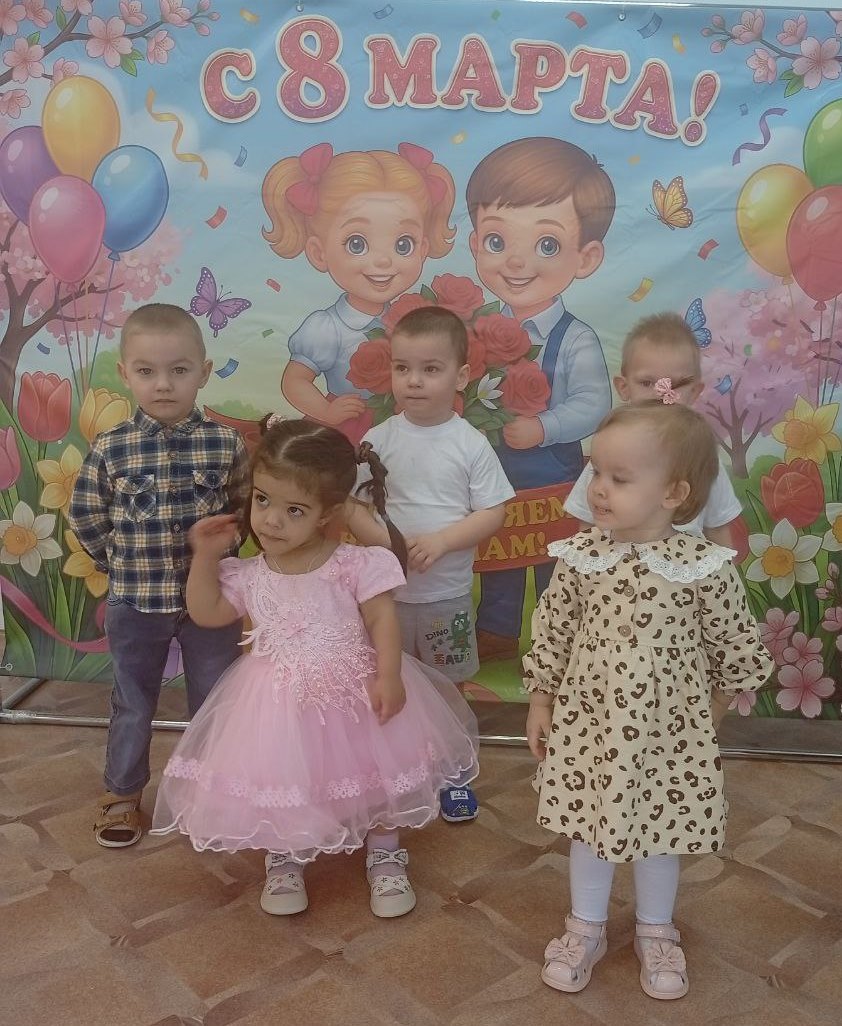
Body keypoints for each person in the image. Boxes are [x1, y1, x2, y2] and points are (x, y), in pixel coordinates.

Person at [151, 418, 479, 918]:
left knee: (376, 772)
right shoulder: (252, 573)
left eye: (294, 510)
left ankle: (385, 853)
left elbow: (382, 618)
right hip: (274, 705)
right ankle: (284, 856)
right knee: (283, 776)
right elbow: (207, 612)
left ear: (328, 513)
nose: (271, 521)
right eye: (263, 500)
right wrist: (205, 557)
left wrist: (389, 675)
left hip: (355, 693)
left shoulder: (354, 564)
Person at [523, 400, 773, 1001]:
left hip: (669, 735)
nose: (599, 489)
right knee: (588, 823)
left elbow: (735, 645)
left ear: (674, 493)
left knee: (662, 828)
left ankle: (655, 929)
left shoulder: (703, 567)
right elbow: (553, 631)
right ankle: (585, 925)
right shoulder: (581, 558)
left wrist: (710, 713)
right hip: (590, 726)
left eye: (620, 478)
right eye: (596, 472)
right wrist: (540, 701)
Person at [68, 303, 250, 848]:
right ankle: (122, 796)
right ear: (126, 374)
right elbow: (86, 514)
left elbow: (243, 512)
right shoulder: (112, 446)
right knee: (132, 701)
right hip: (135, 602)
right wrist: (118, 564)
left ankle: (214, 794)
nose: (163, 384)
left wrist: (218, 556)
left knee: (214, 699)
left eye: (179, 370)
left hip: (210, 605)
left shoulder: (226, 443)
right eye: (147, 371)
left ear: (204, 371)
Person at [347, 306, 514, 823]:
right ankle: (394, 773)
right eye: (403, 368)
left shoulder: (470, 443)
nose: (414, 381)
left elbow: (494, 512)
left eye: (430, 369)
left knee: (448, 690)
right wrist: (390, 545)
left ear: (461, 377)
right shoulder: (378, 440)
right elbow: (352, 508)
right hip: (386, 602)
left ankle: (455, 772)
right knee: (388, 682)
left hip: (446, 599)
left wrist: (442, 541)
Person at [465, 137, 616, 661]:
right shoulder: (475, 333)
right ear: (474, 243)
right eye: (497, 240)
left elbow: (594, 403)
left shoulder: (576, 338)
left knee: (557, 558)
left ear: (585, 257)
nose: (517, 262)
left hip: (555, 481)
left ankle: (561, 637)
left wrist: (544, 427)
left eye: (546, 245)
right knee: (500, 556)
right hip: (496, 480)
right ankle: (497, 631)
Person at [261, 141, 456, 443]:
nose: (383, 261)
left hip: (409, 426)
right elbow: (295, 380)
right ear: (319, 252)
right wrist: (326, 411)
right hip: (349, 431)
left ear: (423, 248)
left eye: (403, 244)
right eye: (357, 244)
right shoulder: (327, 327)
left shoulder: (413, 316)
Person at [564, 311, 741, 546]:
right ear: (624, 387)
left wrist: (725, 569)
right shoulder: (610, 455)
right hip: (617, 566)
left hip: (684, 566)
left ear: (694, 392)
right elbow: (587, 527)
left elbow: (717, 529)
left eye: (675, 384)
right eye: (647, 383)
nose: (660, 394)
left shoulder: (703, 459)